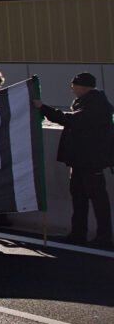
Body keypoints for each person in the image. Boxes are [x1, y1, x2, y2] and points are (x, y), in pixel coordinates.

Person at [37, 73, 114, 247]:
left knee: (97, 199)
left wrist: (44, 109)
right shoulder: (90, 103)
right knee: (79, 198)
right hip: (81, 160)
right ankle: (78, 233)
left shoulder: (96, 106)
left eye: (74, 85)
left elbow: (72, 120)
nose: (72, 89)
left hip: (91, 161)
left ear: (83, 87)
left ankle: (104, 236)